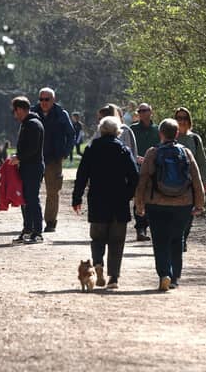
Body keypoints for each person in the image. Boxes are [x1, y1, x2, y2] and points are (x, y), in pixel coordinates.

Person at [134, 118, 205, 291]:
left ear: (161, 134)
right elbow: (196, 180)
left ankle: (164, 274)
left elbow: (142, 179)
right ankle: (175, 278)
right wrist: (199, 203)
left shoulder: (152, 153)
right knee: (177, 239)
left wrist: (139, 204)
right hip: (183, 204)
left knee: (160, 240)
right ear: (177, 133)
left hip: (156, 203)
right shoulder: (186, 152)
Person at [73, 116, 139, 289]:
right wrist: (128, 195)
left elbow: (81, 176)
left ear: (101, 131)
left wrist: (77, 198)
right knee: (117, 241)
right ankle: (114, 278)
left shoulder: (91, 149)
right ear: (118, 132)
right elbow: (134, 177)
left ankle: (98, 264)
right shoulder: (124, 150)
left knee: (97, 238)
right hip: (119, 203)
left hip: (97, 201)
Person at [30, 87, 75, 233]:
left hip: (54, 159)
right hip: (34, 158)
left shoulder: (61, 114)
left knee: (53, 191)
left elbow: (71, 135)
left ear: (53, 100)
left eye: (47, 99)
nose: (43, 102)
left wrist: (65, 152)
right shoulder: (32, 113)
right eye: (41, 99)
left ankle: (50, 222)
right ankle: (31, 222)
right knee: (30, 192)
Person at [174, 107, 206, 251]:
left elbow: (202, 161)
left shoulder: (195, 139)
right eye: (179, 118)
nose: (181, 121)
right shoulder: (170, 136)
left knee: (189, 214)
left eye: (184, 118)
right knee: (175, 213)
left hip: (191, 183)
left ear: (189, 120)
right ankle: (177, 239)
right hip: (172, 183)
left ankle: (182, 240)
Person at [10, 96, 45, 244]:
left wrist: (19, 157)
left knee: (32, 198)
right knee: (25, 199)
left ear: (20, 109)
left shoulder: (33, 124)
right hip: (26, 167)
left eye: (15, 111)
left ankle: (37, 232)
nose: (14, 114)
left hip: (33, 167)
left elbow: (33, 148)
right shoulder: (26, 123)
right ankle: (27, 229)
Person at [130, 102, 159, 241]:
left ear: (150, 111)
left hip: (154, 169)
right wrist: (135, 158)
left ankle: (150, 227)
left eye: (144, 110)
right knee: (139, 197)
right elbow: (126, 147)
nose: (142, 113)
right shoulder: (132, 129)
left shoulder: (158, 130)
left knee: (152, 198)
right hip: (136, 168)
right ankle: (140, 229)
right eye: (140, 111)